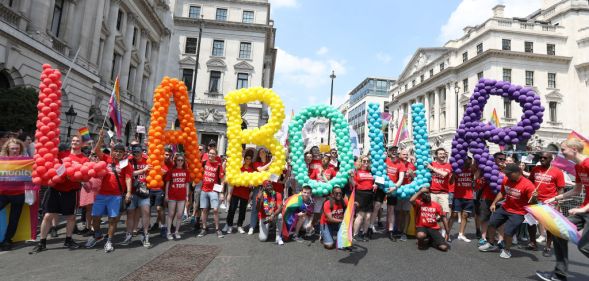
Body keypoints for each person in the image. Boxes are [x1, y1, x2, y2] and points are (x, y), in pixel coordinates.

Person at [536, 138, 589, 281]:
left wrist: (583, 209)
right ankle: (560, 274)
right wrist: (555, 198)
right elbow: (577, 190)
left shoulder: (588, 163)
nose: (562, 153)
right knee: (558, 231)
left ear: (574, 149)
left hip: (585, 210)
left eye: (563, 149)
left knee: (584, 247)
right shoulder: (578, 167)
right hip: (585, 210)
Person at [30, 136, 88, 253]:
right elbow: (50, 163)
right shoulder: (62, 154)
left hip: (71, 191)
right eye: (73, 140)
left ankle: (68, 239)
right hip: (55, 189)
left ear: (82, 144)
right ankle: (42, 242)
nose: (74, 142)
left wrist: (72, 176)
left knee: (71, 217)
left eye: (77, 141)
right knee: (47, 216)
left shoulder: (84, 159)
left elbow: (84, 177)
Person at [479, 163, 535, 259]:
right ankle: (491, 243)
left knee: (508, 232)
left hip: (519, 212)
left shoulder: (528, 185)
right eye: (506, 173)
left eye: (509, 174)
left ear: (518, 172)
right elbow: (502, 192)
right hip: (506, 208)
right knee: (491, 223)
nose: (507, 175)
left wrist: (535, 197)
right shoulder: (506, 179)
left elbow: (533, 203)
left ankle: (507, 250)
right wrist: (494, 203)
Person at [85, 140, 133, 253]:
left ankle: (109, 241)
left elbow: (128, 178)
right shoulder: (107, 159)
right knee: (95, 218)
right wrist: (101, 139)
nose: (118, 153)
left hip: (115, 196)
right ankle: (98, 235)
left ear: (124, 153)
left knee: (112, 220)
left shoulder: (125, 164)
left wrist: (129, 192)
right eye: (116, 151)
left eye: (120, 152)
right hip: (101, 195)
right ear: (113, 152)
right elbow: (96, 150)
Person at [527, 152, 565, 255]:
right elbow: (529, 182)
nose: (542, 159)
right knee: (530, 222)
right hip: (534, 201)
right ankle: (533, 242)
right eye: (541, 157)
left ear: (551, 159)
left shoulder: (557, 171)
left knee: (549, 225)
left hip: (549, 201)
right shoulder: (535, 169)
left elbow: (561, 189)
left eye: (545, 158)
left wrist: (557, 203)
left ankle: (548, 246)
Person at [120, 145, 151, 247]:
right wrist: (143, 170)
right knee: (130, 214)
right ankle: (128, 235)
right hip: (132, 191)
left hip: (144, 191)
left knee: (146, 212)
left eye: (138, 152)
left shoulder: (148, 159)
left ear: (142, 152)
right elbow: (125, 173)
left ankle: (146, 234)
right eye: (134, 153)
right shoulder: (128, 160)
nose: (136, 154)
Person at [0, 138, 27, 251]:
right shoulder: (1, 160)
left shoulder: (25, 160)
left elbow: (30, 175)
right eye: (12, 148)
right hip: (2, 193)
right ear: (7, 149)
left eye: (17, 148)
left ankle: (7, 240)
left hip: (18, 194)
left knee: (14, 219)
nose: (15, 150)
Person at [475, 152, 506, 246]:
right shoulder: (487, 169)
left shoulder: (506, 170)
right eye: (500, 159)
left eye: (503, 159)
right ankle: (483, 237)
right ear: (494, 159)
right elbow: (477, 181)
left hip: (501, 199)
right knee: (484, 218)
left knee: (501, 220)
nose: (502, 161)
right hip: (487, 197)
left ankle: (501, 239)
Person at [410, 187, 449, 251]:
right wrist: (420, 192)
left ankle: (431, 240)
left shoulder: (436, 205)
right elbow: (411, 200)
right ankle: (421, 242)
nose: (427, 195)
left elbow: (443, 218)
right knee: (421, 235)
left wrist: (447, 232)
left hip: (433, 228)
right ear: (421, 196)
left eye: (428, 193)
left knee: (444, 247)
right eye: (424, 193)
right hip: (421, 227)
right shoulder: (419, 203)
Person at [225, 151, 254, 234]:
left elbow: (252, 181)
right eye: (247, 158)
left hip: (245, 193)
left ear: (251, 160)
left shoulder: (252, 171)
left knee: (242, 210)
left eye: (249, 159)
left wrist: (251, 185)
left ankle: (239, 226)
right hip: (236, 192)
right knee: (232, 209)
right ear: (244, 159)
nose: (248, 160)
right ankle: (229, 225)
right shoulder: (239, 168)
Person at [198, 148, 225, 238]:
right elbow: (198, 173)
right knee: (204, 210)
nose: (211, 155)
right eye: (210, 153)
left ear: (216, 155)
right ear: (208, 153)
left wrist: (221, 193)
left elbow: (222, 180)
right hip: (204, 190)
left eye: (213, 154)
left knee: (215, 210)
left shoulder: (218, 165)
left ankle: (217, 229)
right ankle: (204, 228)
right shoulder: (204, 163)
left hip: (213, 191)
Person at [448, 156, 475, 243]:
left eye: (469, 162)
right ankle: (447, 234)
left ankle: (461, 234)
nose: (468, 163)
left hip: (469, 196)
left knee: (465, 215)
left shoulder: (471, 171)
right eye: (467, 161)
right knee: (454, 215)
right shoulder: (457, 170)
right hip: (458, 196)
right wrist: (453, 175)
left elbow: (476, 176)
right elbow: (451, 182)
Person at [427, 148, 453, 237]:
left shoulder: (448, 165)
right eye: (440, 154)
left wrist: (432, 168)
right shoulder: (432, 164)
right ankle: (432, 232)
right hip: (432, 193)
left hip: (443, 194)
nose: (443, 155)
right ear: (436, 156)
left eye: (444, 154)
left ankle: (445, 234)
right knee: (431, 214)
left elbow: (444, 174)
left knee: (444, 215)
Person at [309, 154, 337, 234]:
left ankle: (324, 228)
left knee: (326, 212)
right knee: (317, 212)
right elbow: (311, 179)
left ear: (329, 160)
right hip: (318, 195)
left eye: (326, 159)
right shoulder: (317, 169)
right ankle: (312, 226)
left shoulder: (331, 170)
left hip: (328, 195)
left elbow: (335, 180)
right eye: (322, 159)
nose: (324, 160)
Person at [165, 153, 190, 240]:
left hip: (182, 196)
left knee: (179, 215)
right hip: (172, 195)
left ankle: (176, 231)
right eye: (178, 160)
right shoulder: (171, 170)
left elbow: (187, 184)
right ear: (175, 161)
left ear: (184, 162)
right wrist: (166, 195)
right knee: (171, 214)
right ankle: (168, 232)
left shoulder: (186, 171)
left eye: (181, 160)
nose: (180, 162)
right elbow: (167, 183)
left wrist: (187, 196)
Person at [352, 155, 376, 242]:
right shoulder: (356, 172)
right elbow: (353, 183)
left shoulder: (371, 172)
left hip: (370, 194)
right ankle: (355, 234)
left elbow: (375, 181)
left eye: (367, 161)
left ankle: (364, 233)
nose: (366, 163)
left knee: (368, 216)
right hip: (360, 194)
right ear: (360, 162)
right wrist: (350, 177)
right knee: (360, 215)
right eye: (364, 161)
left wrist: (375, 184)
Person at [383, 146, 405, 241]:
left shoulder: (401, 164)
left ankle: (390, 231)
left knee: (391, 210)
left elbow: (401, 178)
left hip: (392, 188)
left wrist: (395, 187)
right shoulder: (385, 160)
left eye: (396, 150)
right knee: (376, 207)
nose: (394, 152)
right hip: (381, 186)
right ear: (389, 152)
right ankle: (369, 228)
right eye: (392, 150)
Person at [149, 148, 172, 237]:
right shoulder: (155, 161)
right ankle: (149, 226)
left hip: (162, 189)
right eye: (166, 154)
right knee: (147, 209)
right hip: (151, 188)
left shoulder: (170, 164)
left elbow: (166, 173)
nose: (168, 156)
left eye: (169, 155)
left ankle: (163, 226)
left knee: (159, 208)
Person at [248, 147, 271, 235]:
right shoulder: (256, 163)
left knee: (267, 207)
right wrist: (271, 162)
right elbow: (260, 169)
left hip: (268, 187)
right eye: (260, 152)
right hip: (258, 187)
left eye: (263, 152)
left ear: (266, 153)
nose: (261, 154)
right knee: (255, 206)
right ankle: (252, 226)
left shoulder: (270, 162)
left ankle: (265, 227)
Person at [79, 153, 102, 236]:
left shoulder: (101, 165)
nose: (95, 158)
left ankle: (94, 228)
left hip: (97, 189)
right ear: (90, 157)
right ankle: (89, 227)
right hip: (87, 188)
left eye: (97, 156)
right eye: (94, 156)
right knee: (88, 209)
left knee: (95, 209)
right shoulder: (86, 165)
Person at [396, 149, 415, 241]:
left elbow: (415, 179)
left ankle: (404, 232)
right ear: (399, 155)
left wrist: (412, 175)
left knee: (406, 212)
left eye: (407, 154)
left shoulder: (411, 165)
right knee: (398, 211)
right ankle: (398, 230)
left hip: (407, 191)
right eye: (404, 154)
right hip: (397, 191)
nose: (406, 156)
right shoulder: (396, 163)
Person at [258, 180, 284, 245]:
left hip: (274, 215)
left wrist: (273, 215)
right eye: (267, 186)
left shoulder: (277, 194)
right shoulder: (260, 195)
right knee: (262, 239)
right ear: (264, 187)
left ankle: (278, 236)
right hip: (264, 217)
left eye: (270, 185)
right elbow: (257, 209)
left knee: (280, 216)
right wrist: (259, 199)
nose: (269, 187)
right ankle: (267, 229)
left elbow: (280, 208)